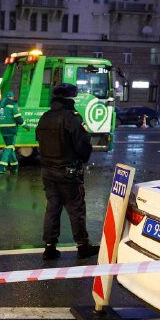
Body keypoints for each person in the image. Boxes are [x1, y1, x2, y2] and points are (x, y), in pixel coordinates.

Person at [35, 83, 100, 261]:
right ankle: (83, 246)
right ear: (70, 99)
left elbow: (39, 140)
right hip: (68, 172)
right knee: (76, 209)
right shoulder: (71, 118)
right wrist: (80, 159)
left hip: (48, 171)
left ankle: (49, 248)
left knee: (52, 209)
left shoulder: (45, 117)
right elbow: (83, 145)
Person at [0, 90, 23, 174]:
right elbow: (18, 118)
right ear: (12, 97)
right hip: (11, 129)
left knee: (10, 147)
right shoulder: (13, 105)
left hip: (3, 129)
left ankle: (15, 166)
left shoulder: (1, 106)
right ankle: (1, 167)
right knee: (9, 148)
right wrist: (25, 125)